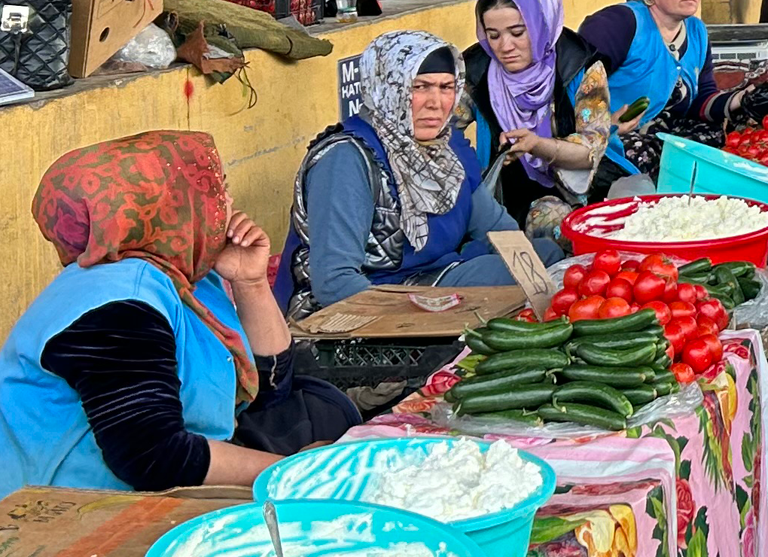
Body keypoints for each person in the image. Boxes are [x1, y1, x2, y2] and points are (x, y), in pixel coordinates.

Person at [0, 131, 360, 498]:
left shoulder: (179, 275)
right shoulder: (117, 302)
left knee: (319, 407)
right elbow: (152, 455)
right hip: (68, 512)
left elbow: (272, 386)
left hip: (152, 484)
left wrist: (250, 282)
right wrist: (293, 473)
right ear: (171, 203)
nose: (228, 203)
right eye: (218, 191)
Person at [274, 30, 564, 321]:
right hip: (371, 304)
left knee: (546, 258)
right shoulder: (347, 159)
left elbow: (499, 232)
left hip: (434, 279)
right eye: (420, 87)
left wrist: (535, 278)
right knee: (518, 279)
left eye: (446, 87)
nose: (436, 103)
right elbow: (335, 283)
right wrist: (420, 316)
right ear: (387, 88)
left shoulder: (447, 149)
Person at [579, 0, 755, 184]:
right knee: (645, 158)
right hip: (612, 137)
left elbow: (701, 100)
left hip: (663, 132)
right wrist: (603, 125)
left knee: (721, 138)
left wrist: (743, 98)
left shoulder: (696, 31)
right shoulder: (620, 23)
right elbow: (575, 80)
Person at [457, 0, 613, 227]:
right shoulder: (476, 70)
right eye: (493, 35)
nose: (505, 46)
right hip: (503, 198)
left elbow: (591, 149)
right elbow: (439, 127)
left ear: (543, 22)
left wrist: (537, 145)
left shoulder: (579, 66)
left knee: (551, 219)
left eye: (518, 32)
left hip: (581, 196)